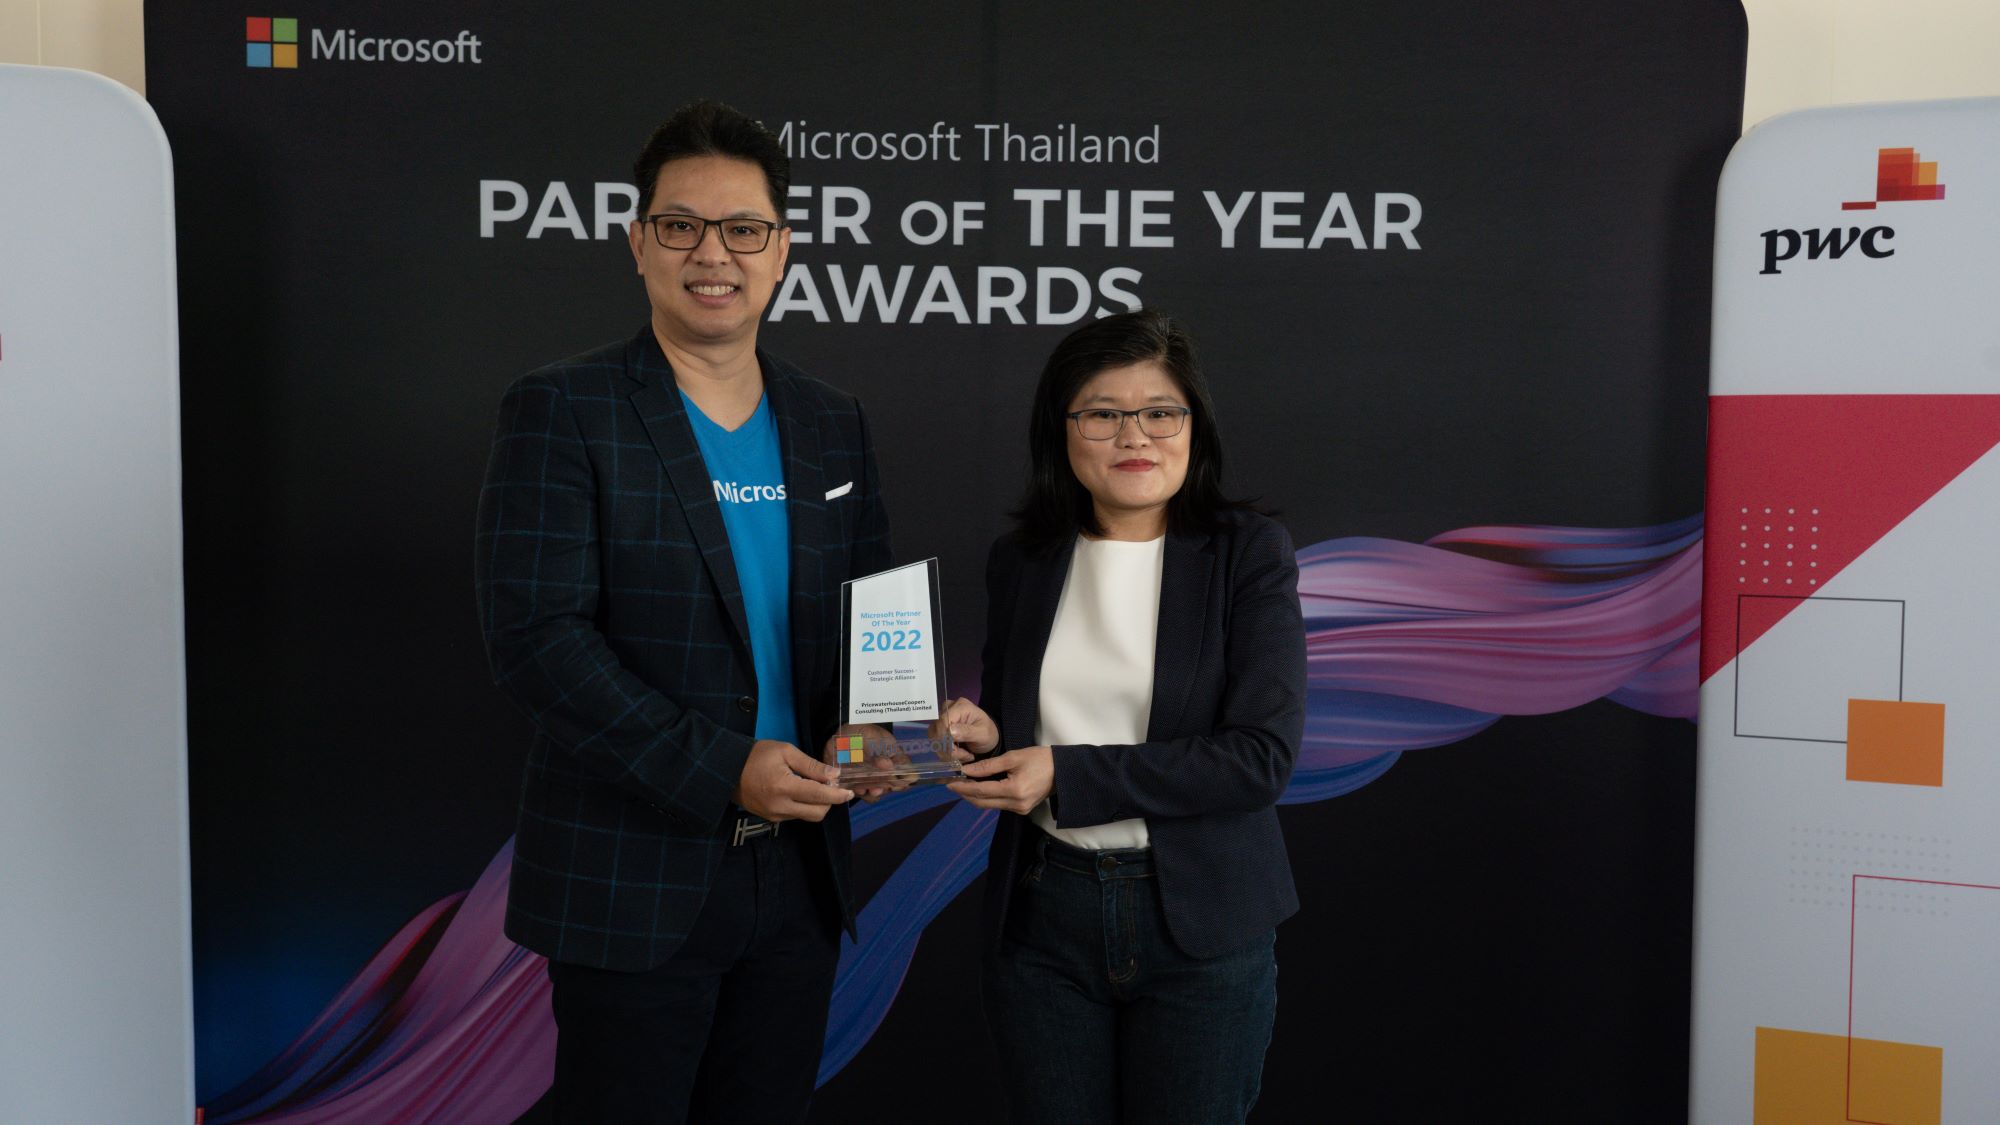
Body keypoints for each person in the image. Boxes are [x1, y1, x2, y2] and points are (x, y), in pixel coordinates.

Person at [474, 100, 890, 1124]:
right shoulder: (565, 408)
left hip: (798, 877)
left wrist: (890, 727)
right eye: (681, 225)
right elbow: (538, 641)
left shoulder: (831, 423)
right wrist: (722, 767)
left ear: (781, 250)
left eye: (743, 229)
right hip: (634, 878)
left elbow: (873, 613)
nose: (713, 253)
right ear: (638, 244)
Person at [942, 309, 1306, 1124]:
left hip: (1199, 925)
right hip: (1044, 917)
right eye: (1103, 413)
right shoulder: (1024, 559)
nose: (1134, 435)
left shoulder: (1247, 551)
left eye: (1160, 411)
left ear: (1193, 425)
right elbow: (1019, 725)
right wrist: (985, 737)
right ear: (1063, 430)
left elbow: (1259, 758)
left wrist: (1065, 772)